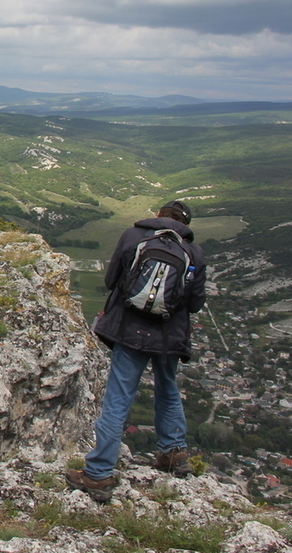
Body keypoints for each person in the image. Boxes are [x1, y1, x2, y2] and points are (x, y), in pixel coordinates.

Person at [66, 200, 207, 503]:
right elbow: (195, 304)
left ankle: (99, 473)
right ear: (186, 224)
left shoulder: (134, 236)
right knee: (168, 390)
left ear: (158, 217)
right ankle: (173, 452)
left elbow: (110, 280)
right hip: (169, 336)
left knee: (119, 397)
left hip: (129, 331)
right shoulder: (194, 252)